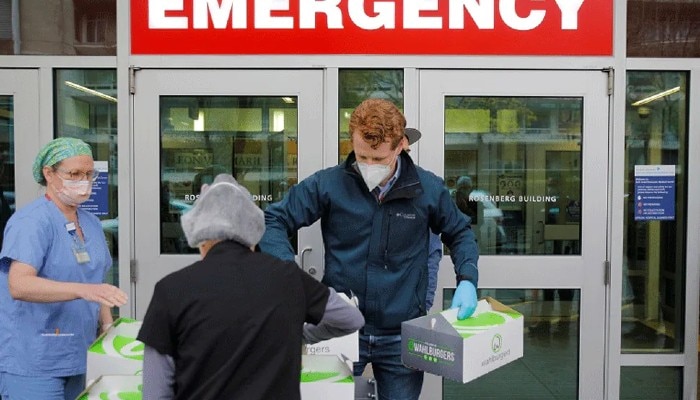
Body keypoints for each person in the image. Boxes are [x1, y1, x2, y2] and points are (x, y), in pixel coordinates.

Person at [259, 98, 479, 400]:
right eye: (362, 157)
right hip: (338, 327)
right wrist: (290, 274)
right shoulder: (329, 184)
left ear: (400, 145)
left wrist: (467, 278)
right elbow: (274, 219)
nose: (369, 168)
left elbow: (460, 231)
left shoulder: (428, 189)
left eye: (379, 160)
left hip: (402, 331)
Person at [137, 174, 364, 400]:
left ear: (200, 237)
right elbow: (351, 318)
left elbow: (156, 392)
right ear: (253, 233)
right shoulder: (288, 278)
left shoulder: (170, 290)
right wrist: (298, 333)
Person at [0, 137, 128, 400]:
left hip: (80, 355)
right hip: (35, 360)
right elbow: (19, 285)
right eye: (74, 174)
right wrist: (83, 290)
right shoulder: (31, 222)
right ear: (49, 174)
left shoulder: (90, 222)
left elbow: (96, 282)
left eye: (89, 174)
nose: (84, 180)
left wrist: (107, 326)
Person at [403, 128, 443, 312]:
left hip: (409, 307)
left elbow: (432, 253)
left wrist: (425, 301)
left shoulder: (426, 188)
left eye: (406, 151)